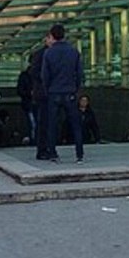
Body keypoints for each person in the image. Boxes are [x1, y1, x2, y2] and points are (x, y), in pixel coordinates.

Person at [41, 23, 84, 163]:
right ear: (64, 35)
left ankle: (53, 153)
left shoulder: (49, 53)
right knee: (75, 124)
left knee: (52, 125)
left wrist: (47, 89)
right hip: (70, 91)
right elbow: (79, 73)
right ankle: (79, 154)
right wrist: (76, 88)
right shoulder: (73, 51)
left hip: (54, 92)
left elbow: (45, 75)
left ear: (52, 36)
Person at [30, 33, 52, 160]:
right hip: (43, 93)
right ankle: (42, 149)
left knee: (48, 122)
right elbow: (35, 72)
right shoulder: (40, 54)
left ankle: (47, 147)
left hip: (46, 92)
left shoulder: (49, 53)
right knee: (43, 122)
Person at [16, 60, 36, 146]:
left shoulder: (27, 75)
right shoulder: (25, 76)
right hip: (29, 103)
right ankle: (33, 140)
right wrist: (29, 93)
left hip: (35, 103)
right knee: (32, 123)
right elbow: (20, 90)